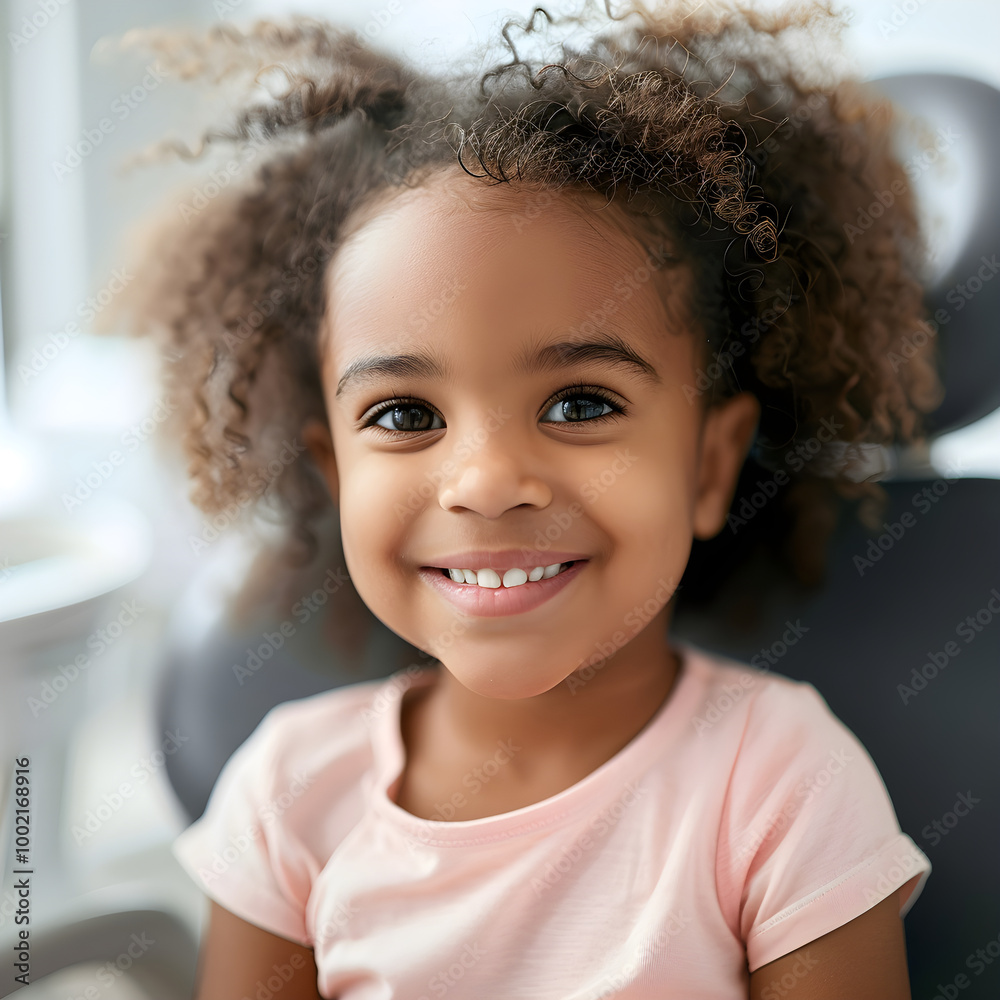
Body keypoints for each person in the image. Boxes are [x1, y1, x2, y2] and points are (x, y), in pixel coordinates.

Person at [109, 1, 943, 996]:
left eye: (580, 401)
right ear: (334, 477)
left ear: (708, 466)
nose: (488, 481)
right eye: (405, 415)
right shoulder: (288, 796)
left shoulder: (777, 784)